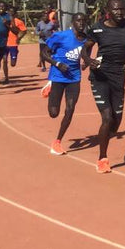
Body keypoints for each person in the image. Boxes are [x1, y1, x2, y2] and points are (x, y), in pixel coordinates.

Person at [81, 0, 125, 174]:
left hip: (119, 76)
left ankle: (107, 135)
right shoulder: (97, 28)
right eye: (116, 9)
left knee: (115, 123)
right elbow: (86, 48)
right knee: (107, 117)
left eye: (122, 9)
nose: (120, 13)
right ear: (108, 10)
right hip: (99, 76)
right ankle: (103, 158)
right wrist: (88, 60)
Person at [42, 12, 88, 155]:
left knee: (70, 109)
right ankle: (49, 86)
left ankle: (57, 142)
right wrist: (57, 63)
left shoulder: (86, 40)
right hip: (57, 76)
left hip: (74, 78)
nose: (81, 23)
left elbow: (86, 56)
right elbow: (44, 53)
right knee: (54, 113)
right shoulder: (61, 36)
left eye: (83, 21)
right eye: (78, 21)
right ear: (73, 22)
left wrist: (86, 63)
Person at [2, 7, 27, 85]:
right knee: (4, 60)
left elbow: (23, 31)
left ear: (15, 13)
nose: (10, 13)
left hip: (13, 44)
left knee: (13, 64)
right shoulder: (3, 20)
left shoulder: (18, 22)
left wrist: (19, 38)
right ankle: (6, 77)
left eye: (12, 12)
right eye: (9, 11)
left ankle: (16, 53)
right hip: (4, 44)